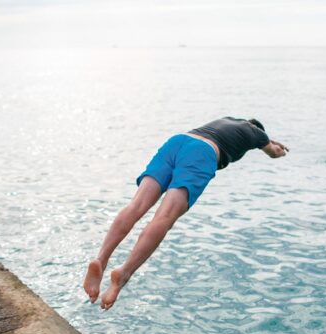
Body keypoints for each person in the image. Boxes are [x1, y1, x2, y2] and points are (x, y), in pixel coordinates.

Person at [83, 117, 289, 310]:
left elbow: (253, 135)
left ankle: (101, 259)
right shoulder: (257, 135)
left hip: (177, 142)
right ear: (259, 132)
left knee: (136, 206)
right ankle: (124, 273)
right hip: (202, 153)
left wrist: (264, 140)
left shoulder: (229, 121)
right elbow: (273, 151)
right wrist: (277, 150)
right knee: (164, 217)